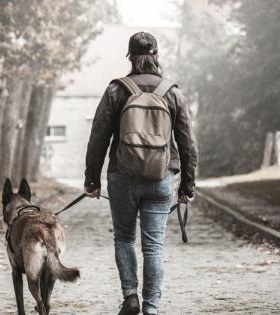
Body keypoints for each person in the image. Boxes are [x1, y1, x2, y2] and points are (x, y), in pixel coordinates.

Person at [83, 32, 198, 315]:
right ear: (156, 56)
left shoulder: (116, 90)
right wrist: (187, 186)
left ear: (131, 58)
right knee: (154, 246)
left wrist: (92, 179)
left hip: (121, 176)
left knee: (124, 238)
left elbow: (98, 136)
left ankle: (130, 297)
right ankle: (151, 307)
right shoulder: (172, 92)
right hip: (160, 178)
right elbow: (187, 144)